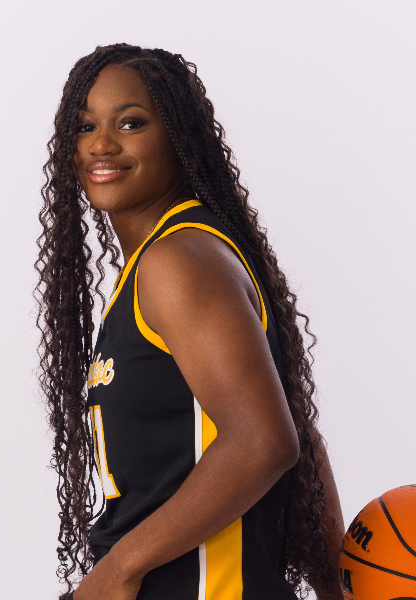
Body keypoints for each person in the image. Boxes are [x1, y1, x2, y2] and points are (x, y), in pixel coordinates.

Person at [36, 43, 344, 600]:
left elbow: (265, 439)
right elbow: (296, 423)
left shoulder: (177, 261)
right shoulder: (159, 263)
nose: (101, 144)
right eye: (84, 127)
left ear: (178, 135)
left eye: (131, 122)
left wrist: (119, 569)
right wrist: (333, 588)